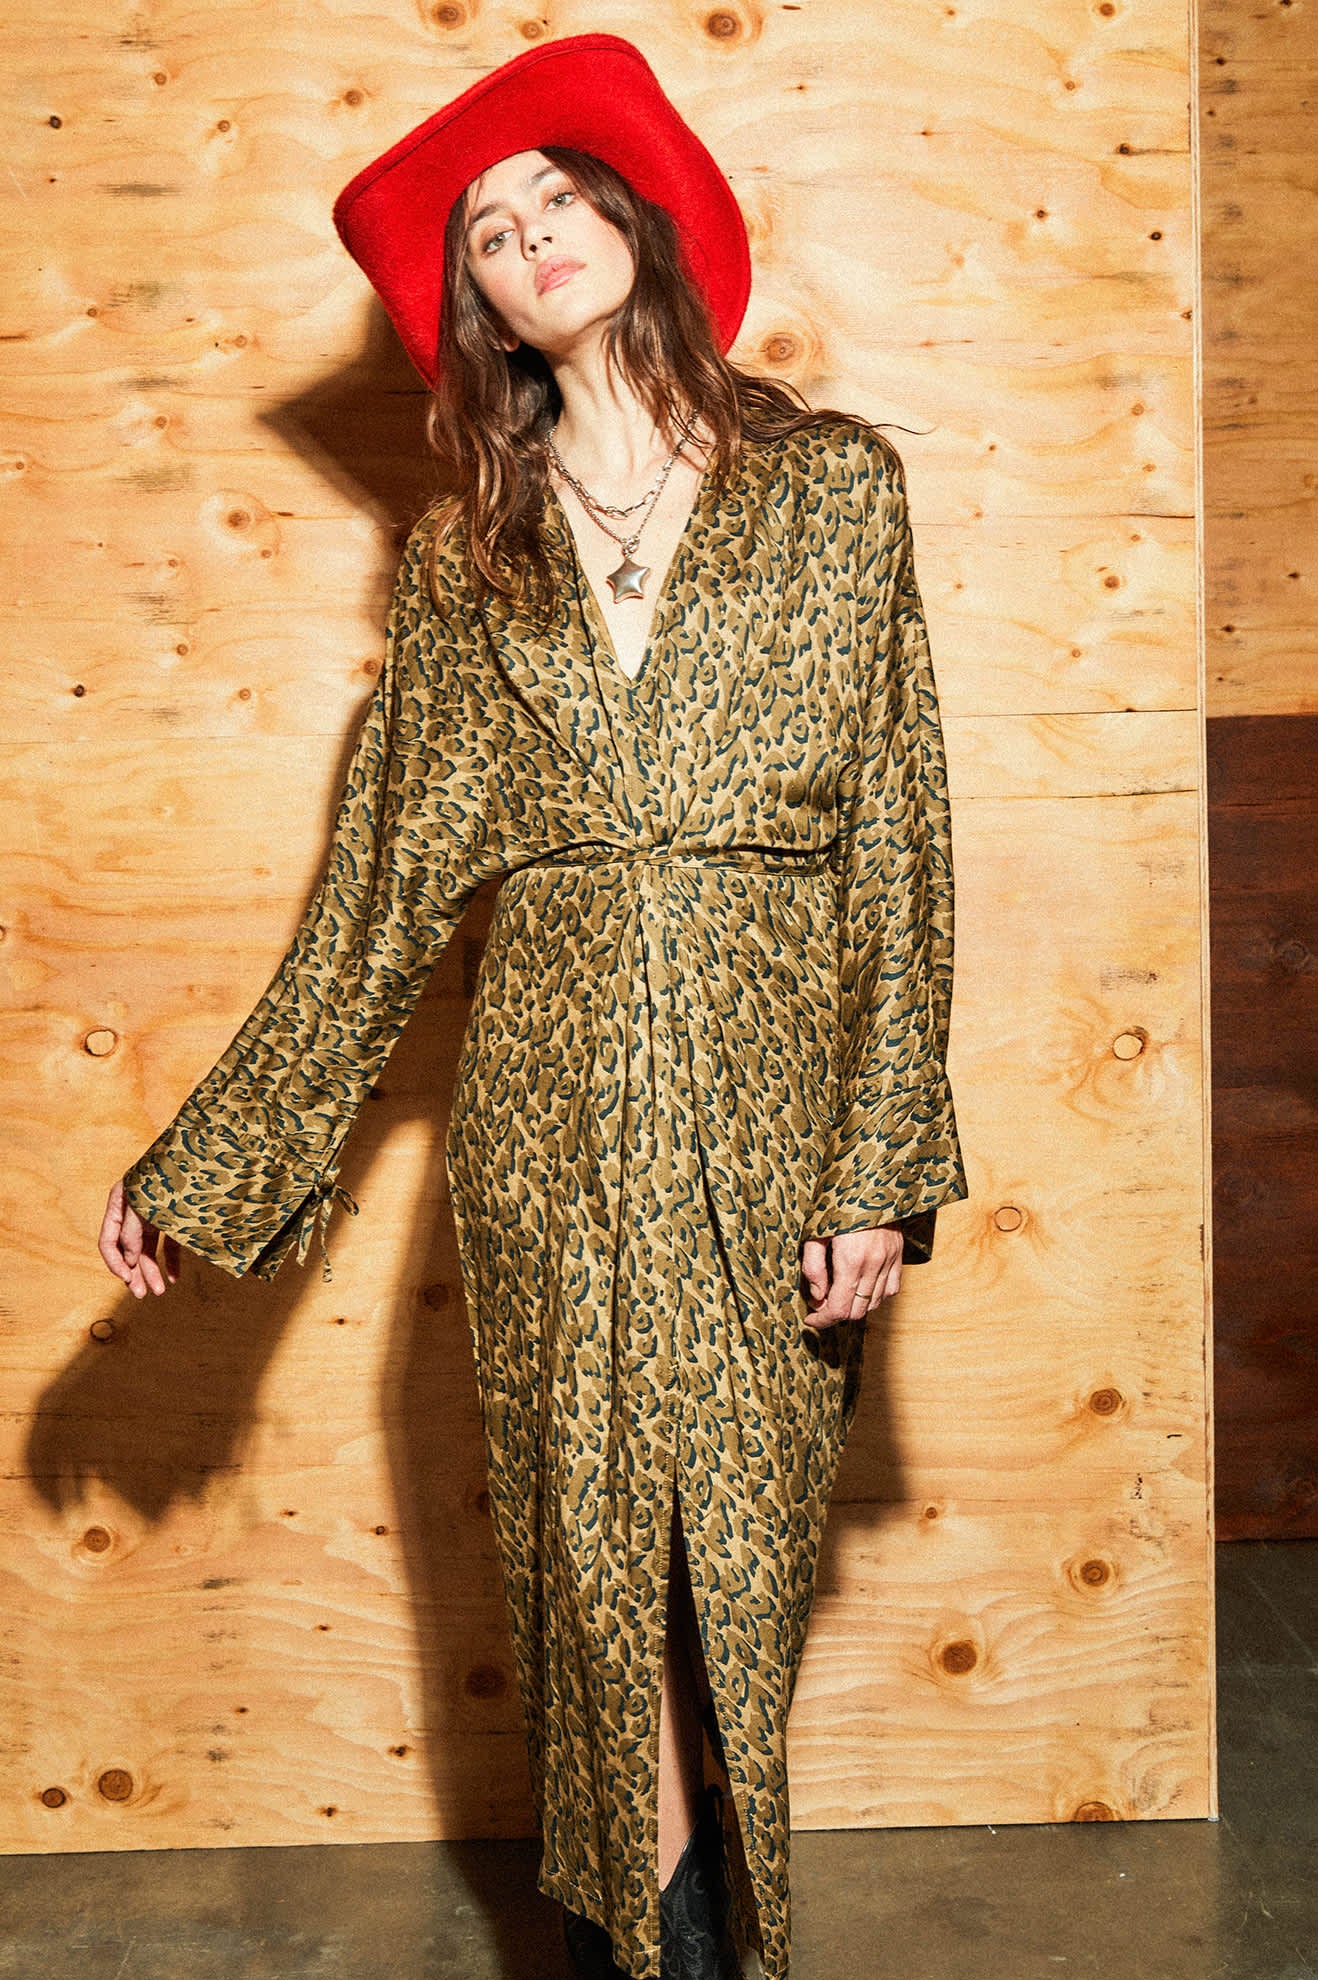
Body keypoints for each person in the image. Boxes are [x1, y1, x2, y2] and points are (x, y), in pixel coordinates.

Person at [97, 32, 967, 1980]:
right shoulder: (463, 560)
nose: (530, 239)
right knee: (592, 1576)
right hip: (545, 1126)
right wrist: (206, 1162)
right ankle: (649, 1953)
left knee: (726, 1571)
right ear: (477, 307)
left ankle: (693, 1927)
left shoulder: (833, 492)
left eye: (557, 200)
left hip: (771, 1113)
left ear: (636, 223)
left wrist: (877, 1166)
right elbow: (374, 897)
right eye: (491, 234)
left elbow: (899, 842)